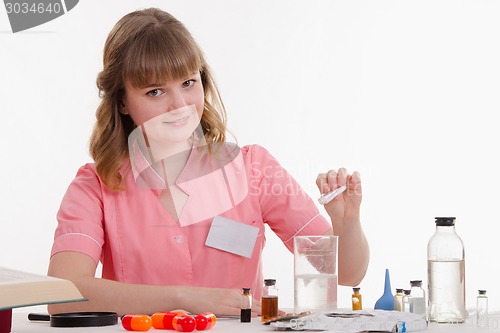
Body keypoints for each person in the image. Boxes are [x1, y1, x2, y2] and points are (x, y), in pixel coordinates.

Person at [47, 7, 369, 316]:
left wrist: (347, 223)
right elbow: (61, 294)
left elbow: (347, 275)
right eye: (155, 92)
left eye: (188, 83)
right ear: (122, 102)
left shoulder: (253, 169)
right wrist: (182, 298)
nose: (180, 106)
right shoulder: (95, 187)